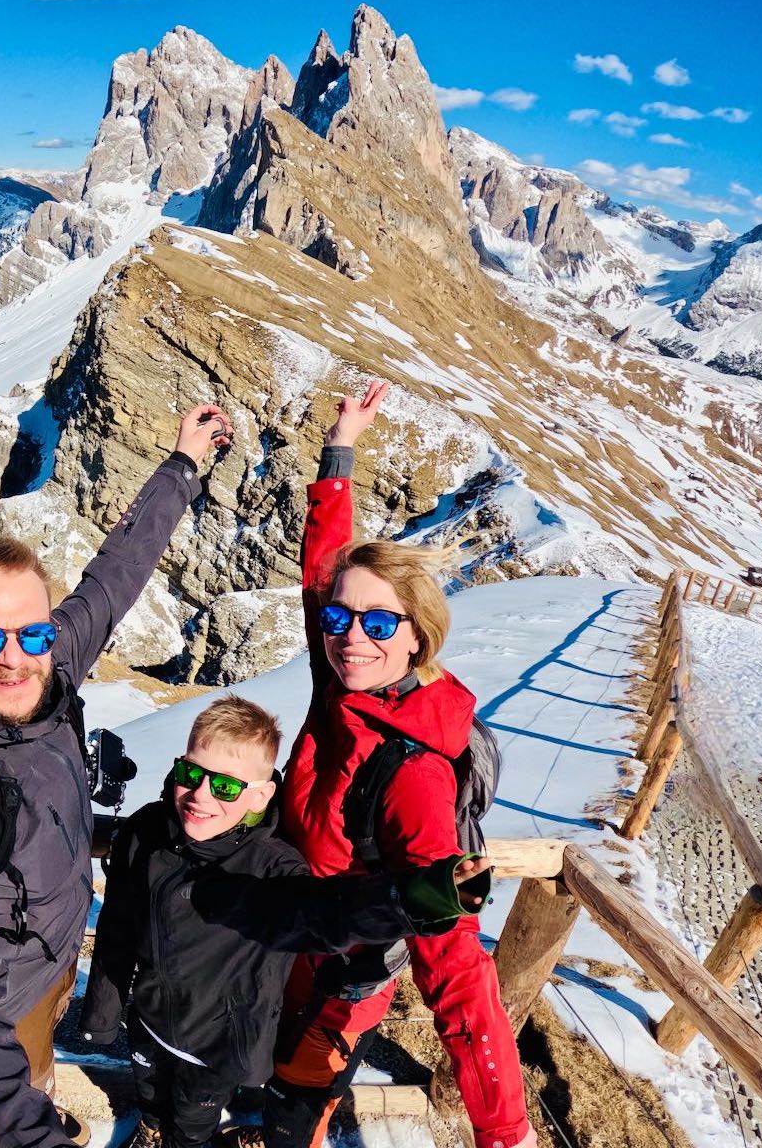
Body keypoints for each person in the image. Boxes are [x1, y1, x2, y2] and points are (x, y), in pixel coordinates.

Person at [0, 402, 233, 1148]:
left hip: (52, 944)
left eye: (32, 633)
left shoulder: (50, 664)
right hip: (1, 988)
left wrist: (181, 467)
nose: (14, 658)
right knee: (13, 1081)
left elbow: (114, 579)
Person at [263, 382, 535, 1148]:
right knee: (265, 1064)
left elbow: (455, 966)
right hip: (294, 931)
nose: (352, 635)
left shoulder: (414, 775)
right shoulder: (346, 683)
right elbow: (321, 573)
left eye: (379, 622)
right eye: (340, 619)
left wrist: (505, 1131)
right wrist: (340, 450)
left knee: (296, 1098)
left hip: (341, 975)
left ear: (418, 636)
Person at [79, 696, 491, 1148]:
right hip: (150, 1018)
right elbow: (116, 929)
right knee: (151, 1094)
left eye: (226, 786)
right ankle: (153, 1127)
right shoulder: (146, 832)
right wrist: (103, 1015)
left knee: (192, 1121)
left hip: (217, 1044)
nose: (201, 795)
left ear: (260, 795)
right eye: (191, 774)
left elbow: (326, 912)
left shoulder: (270, 868)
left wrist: (415, 898)